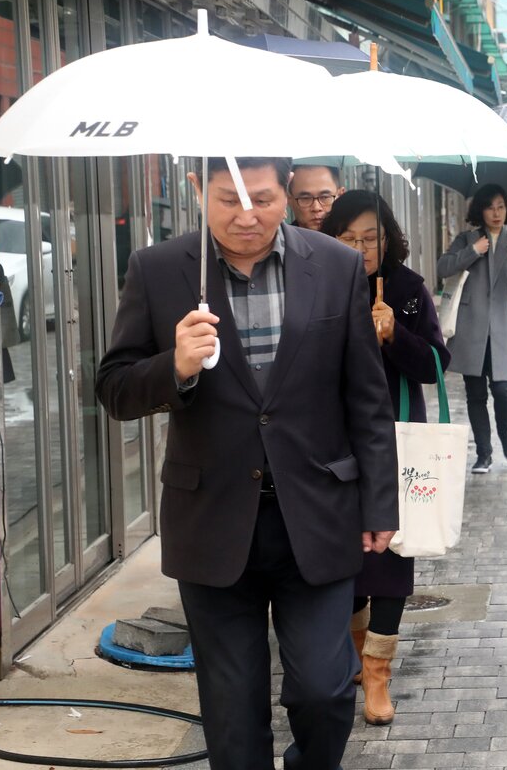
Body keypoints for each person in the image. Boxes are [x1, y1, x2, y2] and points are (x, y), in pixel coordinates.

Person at [95, 156, 396, 770]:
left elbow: (366, 397)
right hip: (212, 521)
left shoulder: (335, 265)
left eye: (262, 198)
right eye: (228, 200)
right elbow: (115, 389)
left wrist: (379, 504)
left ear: (288, 192)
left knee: (324, 690)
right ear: (197, 191)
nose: (247, 216)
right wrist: (175, 366)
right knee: (232, 713)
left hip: (317, 514)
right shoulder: (159, 270)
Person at [321, 190, 451, 725]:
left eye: (370, 238)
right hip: (333, 447)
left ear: (388, 238)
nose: (360, 249)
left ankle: (378, 674)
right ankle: (356, 654)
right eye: (348, 239)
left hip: (397, 445)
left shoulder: (408, 291)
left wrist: (396, 333)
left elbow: (438, 363)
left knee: (393, 559)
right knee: (347, 558)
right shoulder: (318, 287)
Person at [436, 184, 507, 474]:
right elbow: (443, 268)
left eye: (501, 206)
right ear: (481, 210)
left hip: (501, 328)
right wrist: (473, 251)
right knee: (475, 394)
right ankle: (483, 453)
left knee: (503, 390)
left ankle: (506, 434)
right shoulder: (466, 239)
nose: (496, 212)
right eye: (490, 207)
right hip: (471, 328)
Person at [289, 163, 345, 231]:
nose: (316, 208)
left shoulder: (353, 236)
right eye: (306, 198)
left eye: (325, 197)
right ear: (289, 200)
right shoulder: (282, 237)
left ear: (340, 196)